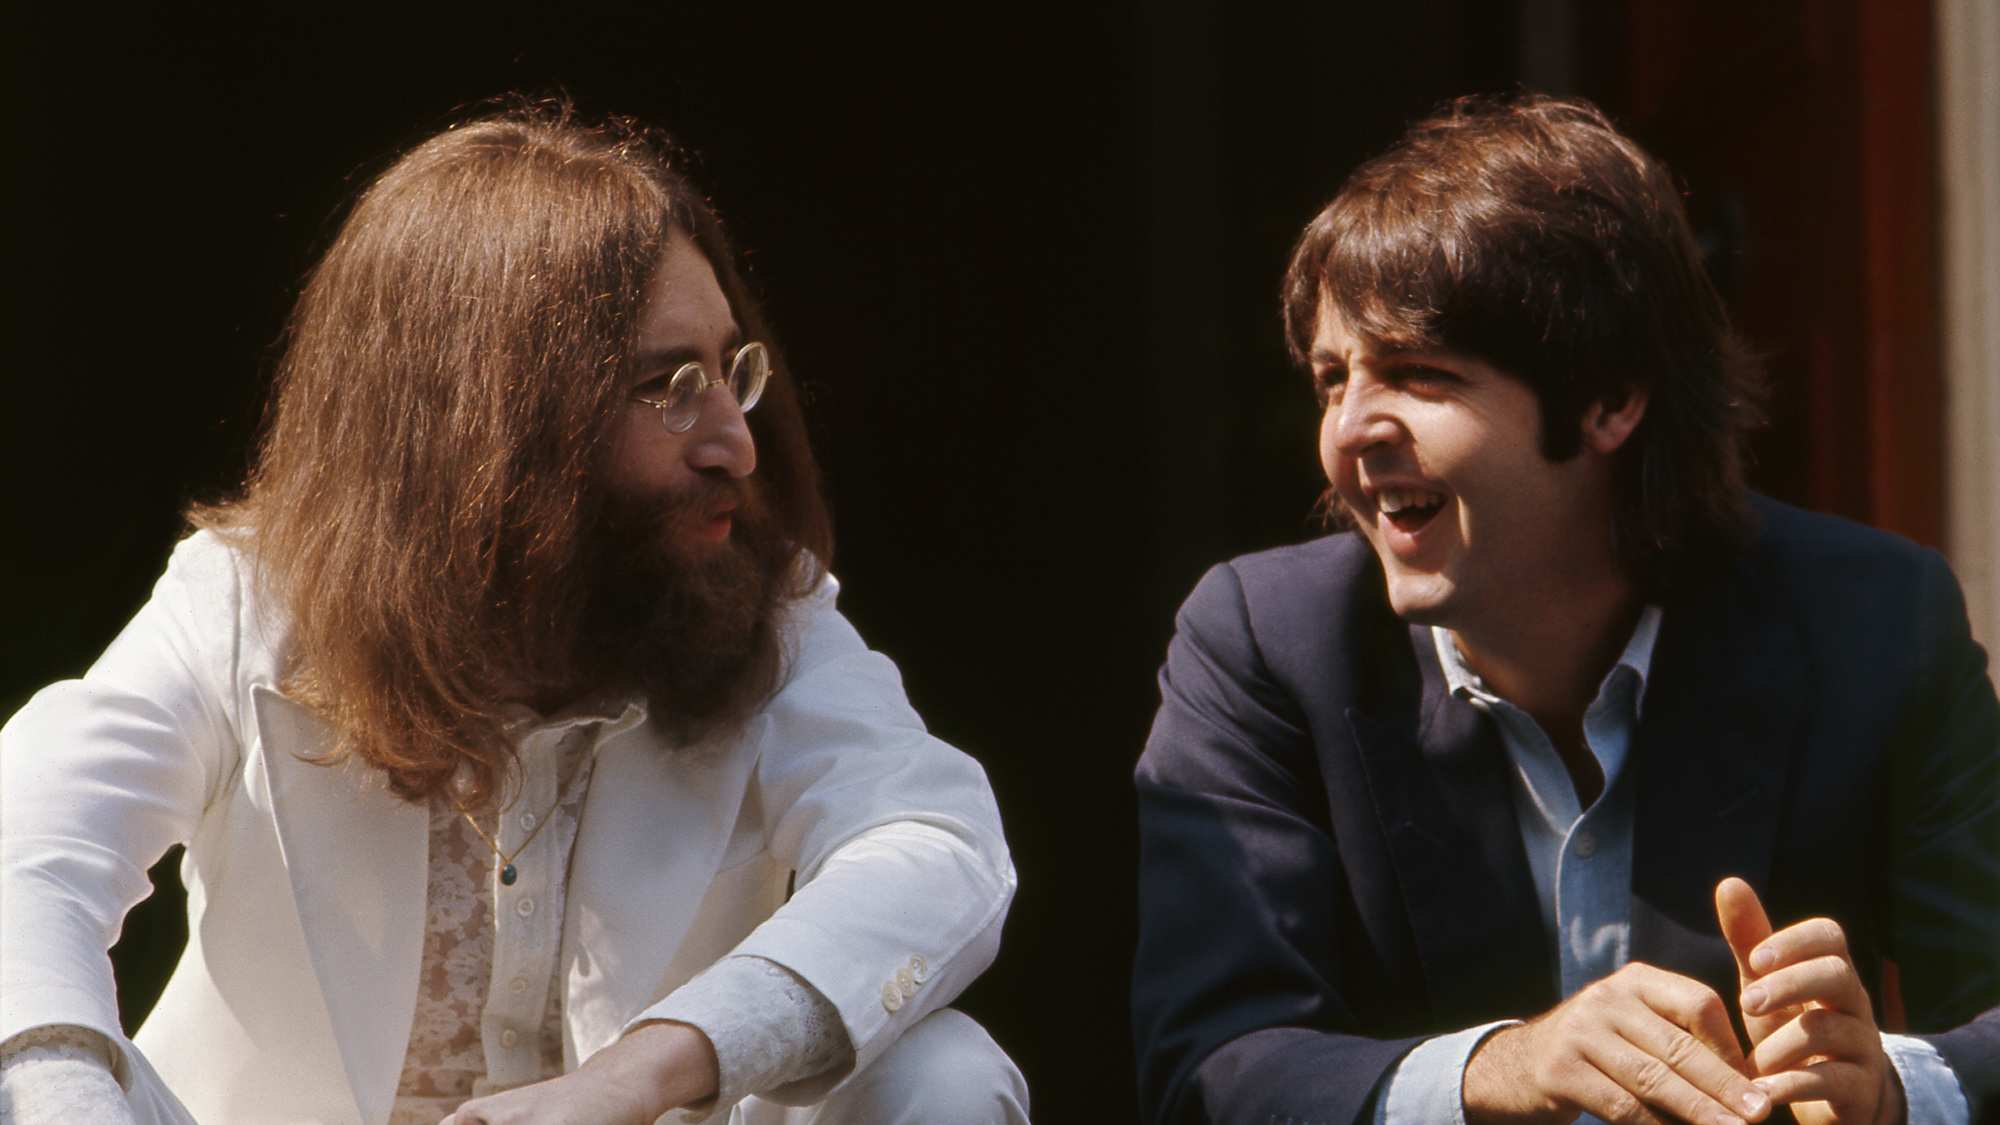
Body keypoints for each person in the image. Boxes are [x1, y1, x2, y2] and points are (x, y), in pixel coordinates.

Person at [0, 102, 1028, 1125]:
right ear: (487, 421)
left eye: (730, 372)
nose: (735, 445)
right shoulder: (247, 601)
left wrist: (637, 1076)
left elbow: (933, 841)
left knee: (941, 1074)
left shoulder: (757, 606)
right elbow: (29, 850)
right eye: (666, 386)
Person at [1132, 94, 1999, 1125]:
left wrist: (1894, 1089)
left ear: (1607, 400)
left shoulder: (1870, 618)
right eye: (1330, 379)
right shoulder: (1262, 642)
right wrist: (1500, 1069)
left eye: (1416, 374)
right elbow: (1208, 1067)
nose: (1349, 430)